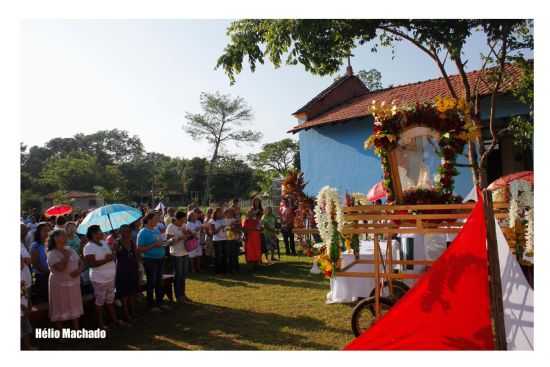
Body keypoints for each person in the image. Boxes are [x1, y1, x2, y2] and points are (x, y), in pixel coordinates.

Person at [83, 225, 125, 329]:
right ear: (93, 234)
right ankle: (101, 324)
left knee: (110, 299)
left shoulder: (103, 243)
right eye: (99, 231)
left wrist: (114, 250)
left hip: (110, 277)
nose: (102, 233)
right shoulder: (88, 247)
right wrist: (107, 259)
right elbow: (91, 264)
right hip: (99, 279)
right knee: (100, 301)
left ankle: (114, 320)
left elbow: (111, 256)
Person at [47, 229, 84, 330]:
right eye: (63, 235)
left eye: (65, 235)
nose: (65, 237)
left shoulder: (70, 249)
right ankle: (61, 332)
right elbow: (61, 268)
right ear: (55, 238)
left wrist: (79, 271)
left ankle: (76, 329)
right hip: (59, 284)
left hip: (74, 283)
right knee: (60, 305)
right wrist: (66, 256)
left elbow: (81, 262)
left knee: (74, 304)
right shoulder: (52, 253)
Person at [137, 212, 169, 312]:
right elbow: (139, 249)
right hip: (150, 260)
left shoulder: (156, 229)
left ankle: (159, 302)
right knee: (152, 282)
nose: (158, 220)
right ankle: (151, 305)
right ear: (149, 220)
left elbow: (159, 241)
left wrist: (165, 243)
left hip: (160, 259)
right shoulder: (143, 232)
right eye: (156, 219)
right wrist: (154, 245)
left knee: (159, 282)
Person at [115, 225, 140, 322]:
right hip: (122, 270)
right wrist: (117, 250)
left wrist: (137, 266)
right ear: (121, 232)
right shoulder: (117, 243)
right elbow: (113, 256)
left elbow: (136, 255)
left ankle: (133, 311)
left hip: (132, 268)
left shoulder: (131, 242)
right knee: (124, 293)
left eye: (129, 231)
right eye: (125, 231)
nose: (128, 233)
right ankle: (126, 314)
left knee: (132, 291)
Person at [166, 211, 192, 303]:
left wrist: (189, 235)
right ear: (179, 218)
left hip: (185, 252)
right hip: (176, 254)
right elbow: (169, 243)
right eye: (184, 218)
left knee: (183, 276)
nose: (186, 219)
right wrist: (180, 238)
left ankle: (183, 295)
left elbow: (189, 236)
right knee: (178, 276)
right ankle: (178, 296)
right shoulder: (170, 227)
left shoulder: (184, 226)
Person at [31, 222, 50, 302]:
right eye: (44, 231)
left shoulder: (50, 244)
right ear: (38, 232)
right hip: (41, 276)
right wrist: (46, 272)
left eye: (48, 230)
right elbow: (35, 263)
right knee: (44, 298)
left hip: (51, 274)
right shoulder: (35, 245)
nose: (47, 233)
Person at [210, 208, 227, 274]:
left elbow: (226, 229)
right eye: (219, 212)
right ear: (215, 213)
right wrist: (220, 227)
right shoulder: (213, 221)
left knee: (224, 255)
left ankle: (224, 270)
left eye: (221, 212)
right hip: (217, 240)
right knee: (218, 256)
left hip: (224, 239)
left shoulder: (224, 220)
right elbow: (213, 232)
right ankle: (218, 270)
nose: (220, 213)